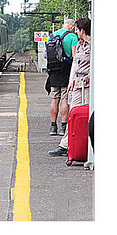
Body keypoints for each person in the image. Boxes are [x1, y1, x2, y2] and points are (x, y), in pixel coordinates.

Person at [49, 17, 91, 156]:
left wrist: (90, 76)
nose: (77, 32)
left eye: (78, 30)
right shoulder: (78, 43)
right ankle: (66, 145)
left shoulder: (93, 45)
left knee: (85, 116)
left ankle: (84, 146)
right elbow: (75, 62)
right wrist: (71, 79)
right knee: (73, 114)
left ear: (82, 30)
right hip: (76, 83)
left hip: (88, 85)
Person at [46, 19, 78, 136]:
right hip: (66, 70)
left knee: (55, 98)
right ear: (71, 26)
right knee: (64, 98)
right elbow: (75, 56)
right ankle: (63, 127)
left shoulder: (52, 35)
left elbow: (46, 54)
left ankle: (53, 126)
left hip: (54, 70)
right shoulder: (72, 37)